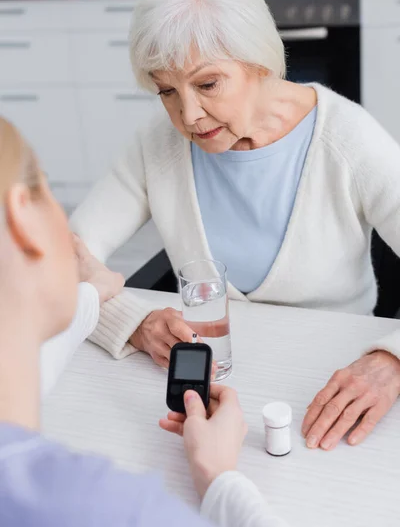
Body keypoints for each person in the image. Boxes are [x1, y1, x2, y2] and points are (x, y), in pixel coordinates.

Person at [69, 0, 400, 453]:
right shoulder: (157, 145)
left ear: (258, 60)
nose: (188, 115)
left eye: (207, 84)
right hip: (215, 394)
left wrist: (392, 359)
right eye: (167, 91)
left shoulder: (348, 141)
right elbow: (61, 255)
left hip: (330, 387)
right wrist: (133, 322)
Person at [0, 116, 288, 527]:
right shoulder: (108, 508)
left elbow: (33, 351)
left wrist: (94, 292)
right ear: (22, 216)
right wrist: (218, 474)